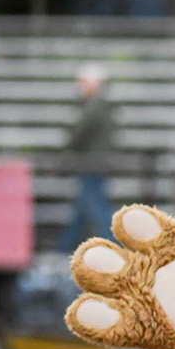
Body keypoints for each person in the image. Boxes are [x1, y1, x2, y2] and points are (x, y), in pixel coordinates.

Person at [61, 66, 118, 251]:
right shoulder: (100, 107)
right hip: (93, 165)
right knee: (82, 212)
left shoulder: (94, 108)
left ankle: (114, 247)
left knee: (98, 211)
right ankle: (64, 247)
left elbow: (77, 135)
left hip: (92, 165)